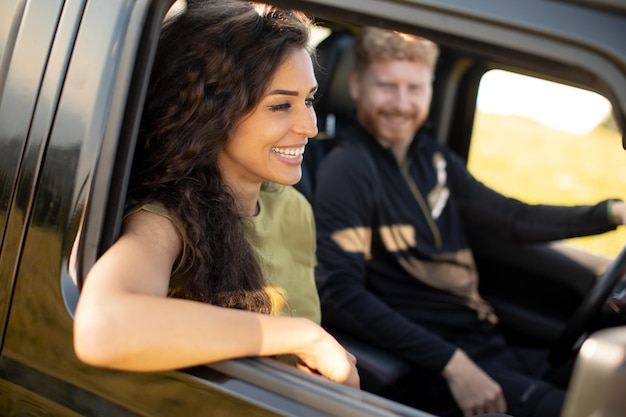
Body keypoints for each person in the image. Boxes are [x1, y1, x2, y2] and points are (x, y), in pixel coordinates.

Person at [313, 26, 626, 416]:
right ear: (357, 85)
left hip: (486, 346)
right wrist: (454, 366)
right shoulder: (348, 167)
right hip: (437, 365)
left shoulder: (433, 157)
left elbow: (512, 218)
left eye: (415, 88)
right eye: (386, 86)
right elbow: (338, 292)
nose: (401, 103)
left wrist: (612, 212)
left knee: (613, 378)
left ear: (431, 89)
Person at [73, 0, 359, 389]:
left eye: (308, 100)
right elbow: (102, 328)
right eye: (280, 105)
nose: (309, 126)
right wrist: (302, 336)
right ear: (212, 114)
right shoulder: (167, 220)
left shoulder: (294, 209)